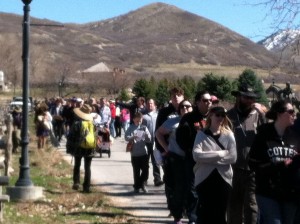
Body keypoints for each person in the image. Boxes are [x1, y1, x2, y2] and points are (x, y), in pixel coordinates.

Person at [249, 100, 300, 224]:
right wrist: (279, 165)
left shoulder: (295, 136)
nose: (294, 114)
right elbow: (253, 164)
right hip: (267, 191)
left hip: (290, 192)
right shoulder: (263, 135)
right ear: (279, 114)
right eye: (291, 111)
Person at [227, 84, 265, 224]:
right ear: (238, 97)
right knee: (234, 204)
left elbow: (268, 135)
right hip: (233, 168)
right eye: (246, 97)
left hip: (252, 169)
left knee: (251, 205)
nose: (249, 100)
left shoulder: (258, 116)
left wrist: (262, 114)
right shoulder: (229, 116)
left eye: (251, 98)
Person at [193, 106, 237, 224]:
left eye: (223, 115)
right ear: (211, 115)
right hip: (204, 178)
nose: (220, 118)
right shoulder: (201, 134)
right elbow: (197, 155)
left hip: (224, 179)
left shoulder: (229, 135)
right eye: (218, 115)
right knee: (205, 212)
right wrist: (220, 154)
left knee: (220, 213)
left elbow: (232, 157)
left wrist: (207, 158)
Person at [156, 100, 193, 224]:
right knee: (178, 188)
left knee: (191, 188)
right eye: (182, 106)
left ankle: (191, 215)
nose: (185, 108)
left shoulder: (195, 121)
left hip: (191, 158)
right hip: (176, 158)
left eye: (188, 106)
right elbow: (158, 133)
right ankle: (177, 216)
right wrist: (167, 148)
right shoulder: (173, 121)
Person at [155, 87, 185, 187]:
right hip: (169, 152)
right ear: (170, 98)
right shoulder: (164, 112)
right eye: (173, 95)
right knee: (171, 182)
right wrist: (164, 150)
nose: (176, 97)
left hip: (186, 153)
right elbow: (157, 132)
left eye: (179, 95)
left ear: (183, 97)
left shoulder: (189, 110)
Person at [68, 104, 95, 193]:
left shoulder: (77, 123)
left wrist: (71, 146)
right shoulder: (92, 123)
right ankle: (86, 186)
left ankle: (76, 182)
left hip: (79, 147)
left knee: (77, 165)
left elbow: (71, 136)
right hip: (90, 148)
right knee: (88, 167)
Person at [125, 112, 151, 193]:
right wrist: (133, 137)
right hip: (135, 153)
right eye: (137, 121)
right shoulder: (131, 127)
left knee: (145, 170)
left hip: (144, 152)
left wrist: (146, 134)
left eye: (140, 121)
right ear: (133, 120)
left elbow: (149, 139)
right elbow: (126, 137)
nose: (138, 123)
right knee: (136, 171)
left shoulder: (144, 127)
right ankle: (137, 186)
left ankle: (141, 184)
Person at [142, 98, 161, 186]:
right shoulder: (143, 116)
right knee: (145, 162)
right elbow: (141, 129)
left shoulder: (158, 115)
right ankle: (144, 179)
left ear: (155, 105)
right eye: (148, 103)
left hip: (156, 142)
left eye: (151, 103)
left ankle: (157, 179)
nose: (150, 105)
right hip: (146, 142)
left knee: (156, 162)